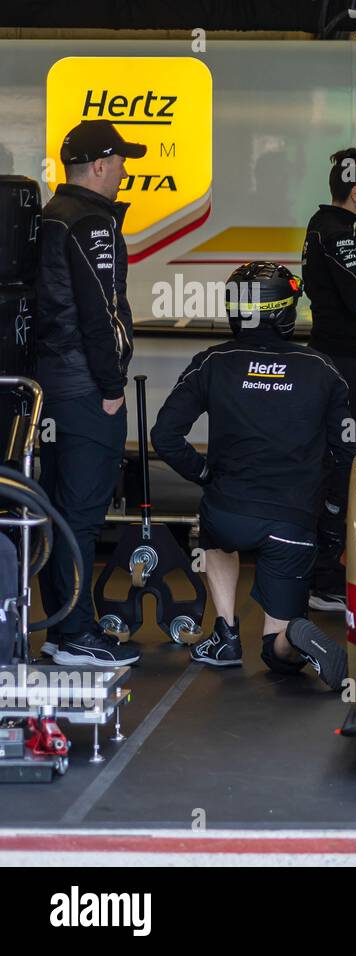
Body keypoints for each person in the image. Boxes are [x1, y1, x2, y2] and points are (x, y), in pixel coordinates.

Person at [150, 262, 356, 689]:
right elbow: (346, 452)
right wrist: (331, 515)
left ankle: (225, 634)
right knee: (277, 654)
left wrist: (206, 473)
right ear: (285, 312)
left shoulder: (214, 362)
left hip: (228, 512)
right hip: (293, 524)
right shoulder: (323, 369)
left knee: (216, 528)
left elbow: (164, 435)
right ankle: (290, 640)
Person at [34, 120, 145, 667]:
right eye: (122, 160)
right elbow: (100, 315)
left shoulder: (51, 216)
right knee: (81, 514)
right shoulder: (91, 223)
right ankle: (76, 635)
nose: (127, 170)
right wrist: (110, 386)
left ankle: (61, 629)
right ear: (99, 165)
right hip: (85, 392)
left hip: (49, 391)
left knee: (56, 511)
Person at [302, 147, 356, 612]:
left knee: (344, 466)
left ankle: (329, 570)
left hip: (343, 363)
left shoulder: (331, 228)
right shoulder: (338, 234)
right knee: (341, 468)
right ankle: (324, 579)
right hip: (346, 365)